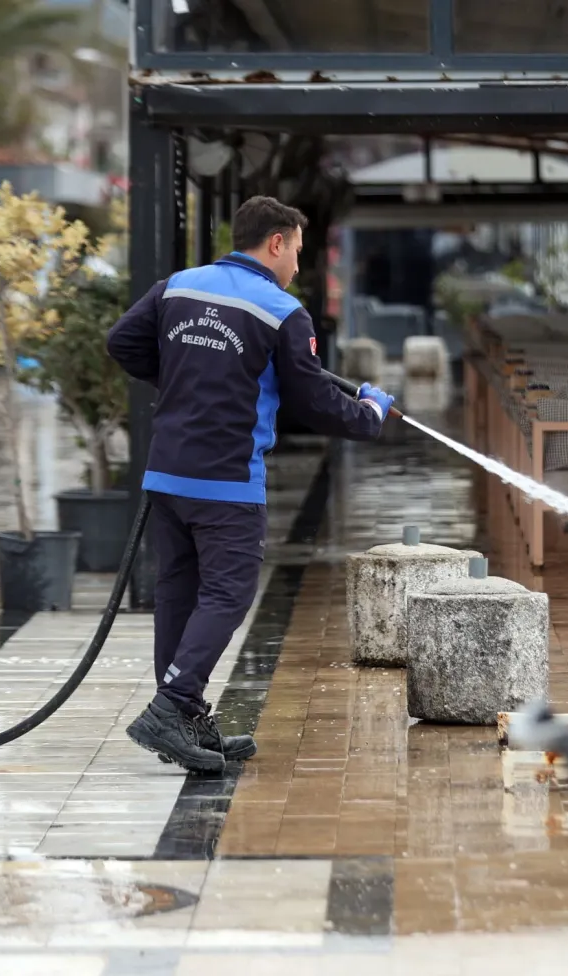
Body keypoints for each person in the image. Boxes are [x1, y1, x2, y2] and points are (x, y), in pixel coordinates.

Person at [107, 195, 394, 775]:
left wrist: (189, 378)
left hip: (168, 473)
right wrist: (369, 414)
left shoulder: (177, 286)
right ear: (275, 242)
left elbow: (122, 342)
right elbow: (314, 401)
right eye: (296, 251)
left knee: (178, 591)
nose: (297, 265)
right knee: (228, 594)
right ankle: (173, 704)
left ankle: (184, 714)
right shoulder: (283, 311)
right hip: (228, 481)